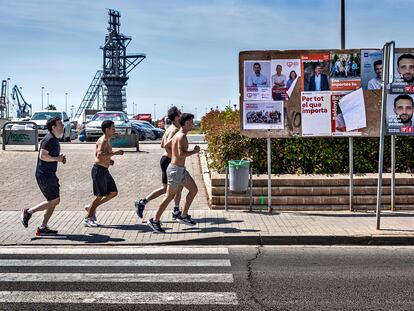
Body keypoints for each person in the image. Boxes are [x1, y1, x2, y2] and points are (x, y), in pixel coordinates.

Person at [147, 113, 200, 233]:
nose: (193, 123)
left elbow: (165, 144)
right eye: (191, 122)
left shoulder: (178, 134)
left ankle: (184, 216)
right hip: (175, 170)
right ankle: (154, 221)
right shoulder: (181, 137)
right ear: (186, 123)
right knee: (169, 196)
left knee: (194, 190)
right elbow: (181, 155)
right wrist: (194, 151)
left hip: (180, 170)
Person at [135, 106, 183, 220]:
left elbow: (162, 144)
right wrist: (176, 147)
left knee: (174, 187)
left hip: (166, 160)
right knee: (170, 189)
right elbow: (166, 145)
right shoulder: (174, 130)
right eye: (180, 114)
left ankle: (175, 210)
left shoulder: (171, 127)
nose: (182, 115)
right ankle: (143, 202)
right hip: (169, 161)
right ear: (176, 117)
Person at [20, 116, 66, 236]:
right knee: (55, 200)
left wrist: (59, 158)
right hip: (45, 175)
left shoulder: (54, 139)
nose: (62, 125)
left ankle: (43, 227)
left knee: (52, 201)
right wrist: (58, 159)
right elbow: (42, 156)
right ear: (53, 127)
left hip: (49, 174)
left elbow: (48, 156)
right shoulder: (49, 139)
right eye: (60, 123)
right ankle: (28, 212)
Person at [83, 120, 124, 227]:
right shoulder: (103, 140)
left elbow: (102, 156)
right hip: (99, 170)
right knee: (100, 195)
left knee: (113, 192)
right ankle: (88, 218)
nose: (114, 130)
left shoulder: (107, 140)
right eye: (113, 128)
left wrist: (109, 161)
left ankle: (91, 207)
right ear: (107, 129)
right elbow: (99, 155)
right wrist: (116, 153)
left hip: (104, 170)